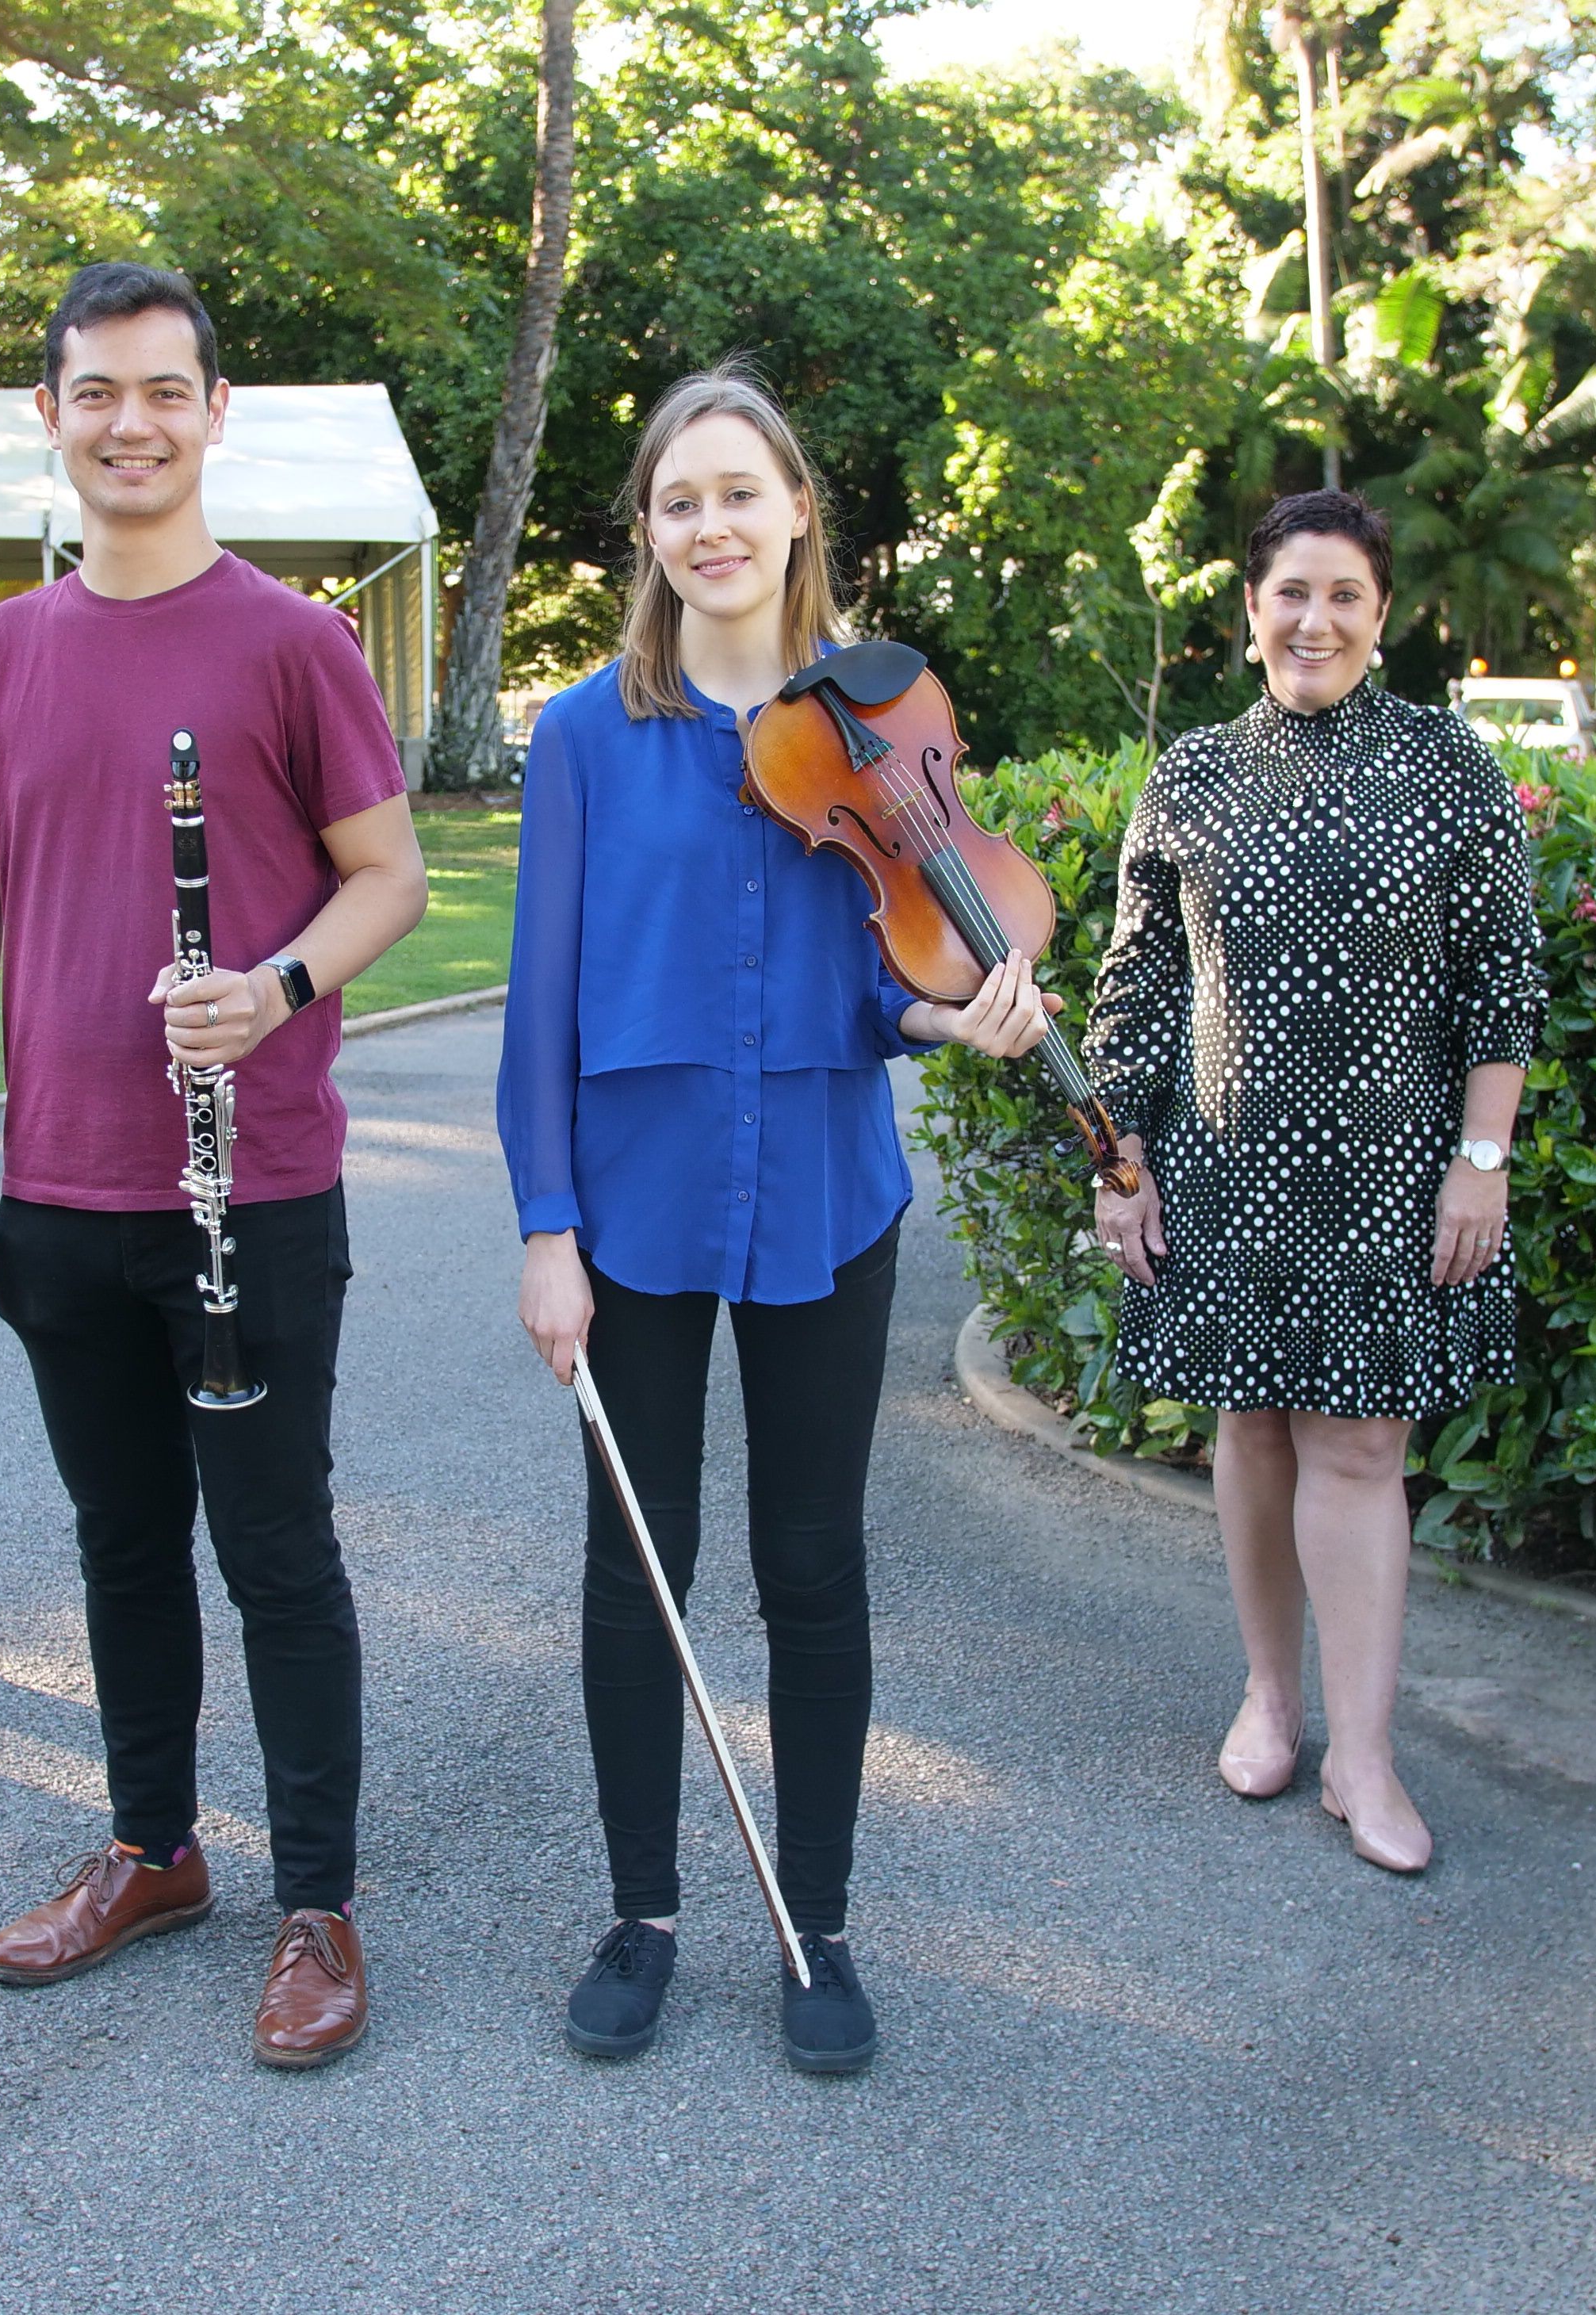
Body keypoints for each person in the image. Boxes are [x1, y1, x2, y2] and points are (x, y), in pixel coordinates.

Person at [0, 262, 427, 2070]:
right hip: (61, 1191)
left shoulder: (294, 640)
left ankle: (319, 1902)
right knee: (121, 1542)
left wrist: (277, 985)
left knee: (277, 1550)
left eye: (163, 391)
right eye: (96, 392)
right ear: (49, 416)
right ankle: (155, 1848)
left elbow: (391, 880)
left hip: (252, 1188)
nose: (131, 421)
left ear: (216, 415)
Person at [496, 365, 1054, 2074]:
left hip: (823, 1175)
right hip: (636, 1192)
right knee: (636, 1564)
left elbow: (885, 965)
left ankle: (819, 1917)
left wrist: (952, 1015)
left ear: (800, 509)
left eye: (740, 492)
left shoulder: (877, 731)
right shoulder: (588, 731)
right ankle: (645, 1911)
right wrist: (542, 1221)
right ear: (650, 534)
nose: (711, 525)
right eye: (679, 501)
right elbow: (538, 1003)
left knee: (811, 1563)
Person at [1078, 488, 1545, 1876]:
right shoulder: (1194, 775)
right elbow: (1137, 991)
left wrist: (1483, 1162)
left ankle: (1366, 1753)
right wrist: (1118, 1163)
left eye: (1344, 594)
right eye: (1291, 592)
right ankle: (1271, 1699)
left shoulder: (1450, 769)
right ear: (1250, 611)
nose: (1314, 620)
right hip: (1229, 1168)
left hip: (1398, 1177)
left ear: (1382, 616)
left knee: (1361, 1449)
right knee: (1258, 1434)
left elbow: (1504, 987)